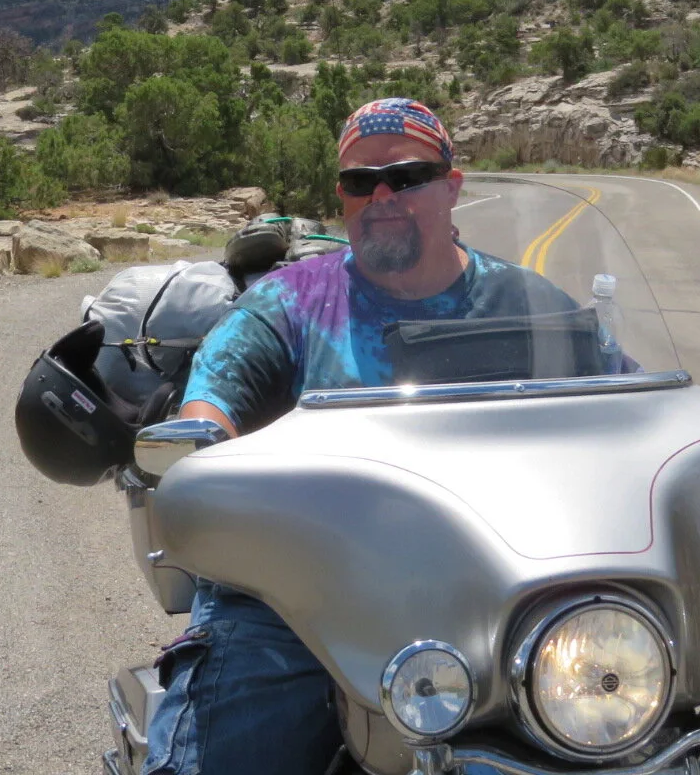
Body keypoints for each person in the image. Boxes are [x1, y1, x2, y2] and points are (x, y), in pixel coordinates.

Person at [144, 97, 581, 775]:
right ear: (342, 196)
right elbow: (216, 394)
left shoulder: (528, 306)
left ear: (452, 187)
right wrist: (199, 443)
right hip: (295, 603)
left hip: (496, 593)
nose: (382, 195)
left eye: (407, 177)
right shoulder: (289, 303)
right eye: (359, 181)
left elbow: (632, 403)